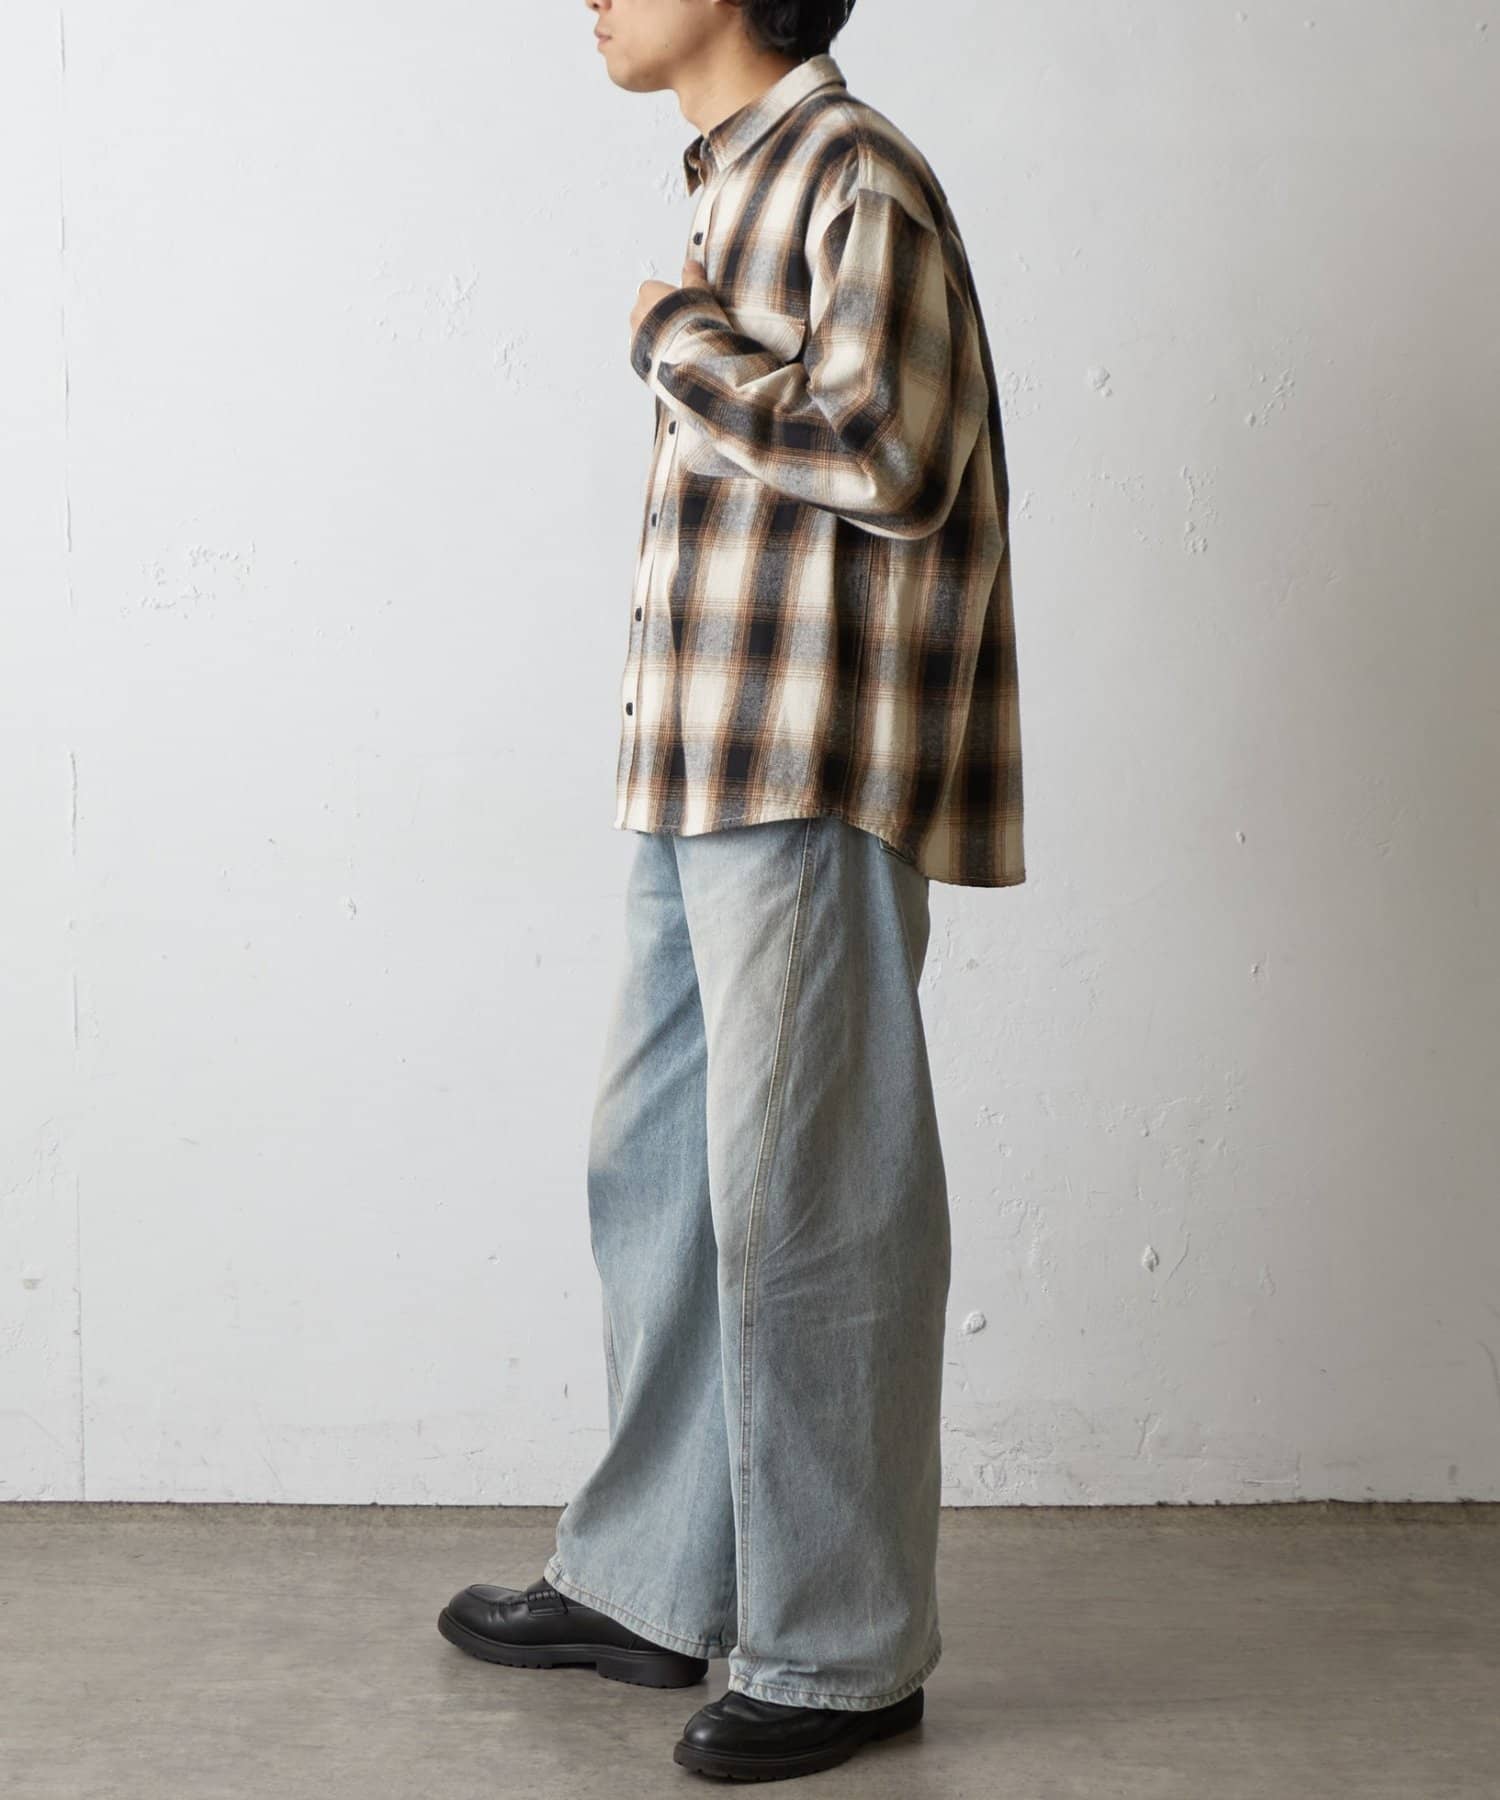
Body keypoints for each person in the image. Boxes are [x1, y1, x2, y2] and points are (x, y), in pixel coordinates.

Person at [438, 0, 1024, 1781]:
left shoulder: (854, 175)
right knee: (660, 1178)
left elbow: (890, 457)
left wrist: (675, 338)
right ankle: (650, 1578)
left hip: (807, 766)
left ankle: (844, 1650)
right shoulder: (740, 179)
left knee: (810, 1203)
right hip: (701, 762)